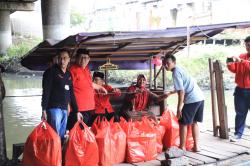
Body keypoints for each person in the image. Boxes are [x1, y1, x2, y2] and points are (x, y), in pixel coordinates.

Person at [162, 54, 204, 152]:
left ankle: (182, 147)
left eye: (168, 63)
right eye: (164, 64)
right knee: (194, 122)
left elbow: (181, 91)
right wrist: (171, 93)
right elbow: (182, 87)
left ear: (174, 63)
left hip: (192, 99)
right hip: (200, 97)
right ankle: (196, 147)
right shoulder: (179, 69)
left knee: (183, 123)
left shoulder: (175, 73)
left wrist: (179, 108)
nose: (166, 66)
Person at [41, 49, 78, 142]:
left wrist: (77, 110)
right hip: (53, 108)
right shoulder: (51, 72)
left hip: (64, 109)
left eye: (65, 58)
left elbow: (71, 93)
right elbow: (46, 91)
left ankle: (59, 154)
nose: (62, 61)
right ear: (57, 59)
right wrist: (44, 109)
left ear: (69, 59)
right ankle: (54, 155)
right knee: (54, 134)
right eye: (60, 58)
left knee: (61, 136)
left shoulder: (69, 74)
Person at [67, 49, 107, 129]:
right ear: (76, 58)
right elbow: (67, 89)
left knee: (84, 131)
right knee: (77, 132)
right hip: (78, 109)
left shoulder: (87, 70)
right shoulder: (72, 70)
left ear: (89, 59)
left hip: (89, 108)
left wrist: (100, 87)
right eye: (81, 57)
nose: (83, 60)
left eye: (86, 58)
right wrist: (68, 105)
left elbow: (89, 84)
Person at [227, 36, 250, 142]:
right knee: (240, 113)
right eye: (246, 45)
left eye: (249, 45)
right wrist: (230, 63)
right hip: (240, 89)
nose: (248, 47)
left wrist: (241, 60)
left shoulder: (242, 58)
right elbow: (235, 70)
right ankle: (238, 134)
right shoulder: (242, 56)